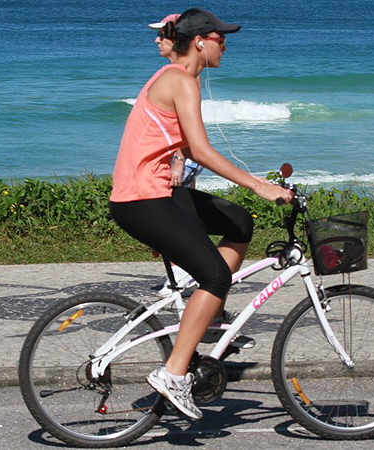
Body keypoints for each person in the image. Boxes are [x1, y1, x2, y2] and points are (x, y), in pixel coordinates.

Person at [109, 8, 293, 420]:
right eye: (220, 38)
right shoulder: (180, 79)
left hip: (156, 194)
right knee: (215, 275)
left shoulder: (177, 78)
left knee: (239, 224)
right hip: (141, 200)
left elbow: (189, 150)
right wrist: (261, 186)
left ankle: (206, 316)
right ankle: (174, 373)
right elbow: (203, 152)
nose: (225, 44)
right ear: (199, 42)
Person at [149, 13, 204, 297]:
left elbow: (184, 124)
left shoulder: (184, 75)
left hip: (182, 158)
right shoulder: (173, 72)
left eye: (163, 35)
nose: (157, 40)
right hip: (179, 157)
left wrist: (179, 162)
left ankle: (184, 274)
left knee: (176, 215)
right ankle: (182, 273)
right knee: (182, 212)